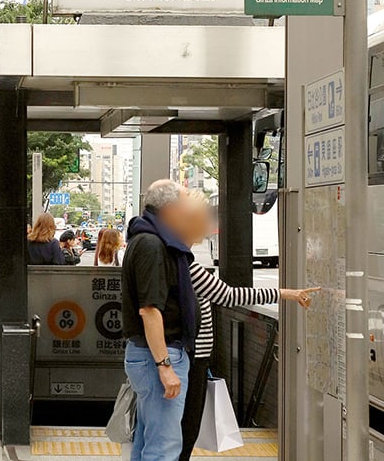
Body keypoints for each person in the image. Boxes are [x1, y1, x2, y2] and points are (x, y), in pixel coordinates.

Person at [176, 192, 320, 460]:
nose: (209, 227)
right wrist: (285, 294)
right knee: (185, 427)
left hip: (187, 355)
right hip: (193, 358)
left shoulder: (176, 260)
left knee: (178, 428)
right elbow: (229, 295)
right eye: (203, 220)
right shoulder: (188, 267)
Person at [122, 180, 195, 460]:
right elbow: (149, 310)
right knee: (163, 447)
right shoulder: (152, 245)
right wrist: (164, 365)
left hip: (149, 353)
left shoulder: (146, 239)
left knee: (147, 440)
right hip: (159, 355)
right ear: (171, 209)